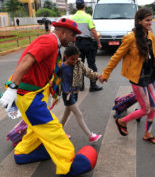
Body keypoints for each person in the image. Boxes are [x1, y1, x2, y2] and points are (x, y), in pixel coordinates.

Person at [0, 18, 98, 176]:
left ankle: (23, 152)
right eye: (73, 35)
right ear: (63, 33)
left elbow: (47, 70)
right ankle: (68, 163)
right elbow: (27, 60)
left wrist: (53, 93)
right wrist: (13, 87)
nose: (74, 40)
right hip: (28, 96)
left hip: (33, 94)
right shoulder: (49, 41)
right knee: (53, 129)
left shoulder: (54, 43)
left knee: (36, 127)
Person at [99, 8, 155, 145]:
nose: (150, 22)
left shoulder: (150, 36)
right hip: (137, 79)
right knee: (146, 109)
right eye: (147, 20)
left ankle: (147, 133)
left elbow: (154, 57)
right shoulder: (130, 38)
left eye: (151, 19)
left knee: (153, 106)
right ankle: (121, 121)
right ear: (139, 21)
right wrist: (106, 73)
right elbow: (116, 56)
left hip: (149, 76)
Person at [60, 44, 102, 143]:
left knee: (67, 113)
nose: (74, 61)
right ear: (65, 57)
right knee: (78, 114)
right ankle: (90, 135)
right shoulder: (61, 67)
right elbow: (53, 79)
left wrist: (98, 76)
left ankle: (59, 131)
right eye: (72, 59)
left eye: (76, 58)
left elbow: (88, 72)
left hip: (75, 93)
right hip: (67, 94)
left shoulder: (79, 63)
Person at [71, 0, 103, 92]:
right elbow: (93, 31)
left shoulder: (73, 18)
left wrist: (73, 44)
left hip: (77, 43)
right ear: (84, 6)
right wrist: (98, 42)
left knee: (79, 64)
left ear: (76, 7)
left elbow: (71, 32)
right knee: (91, 64)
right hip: (88, 43)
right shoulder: (88, 17)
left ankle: (80, 86)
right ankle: (93, 86)